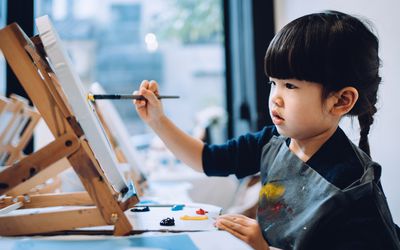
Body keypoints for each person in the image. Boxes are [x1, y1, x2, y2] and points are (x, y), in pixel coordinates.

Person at [133, 10, 399, 250]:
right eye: (274, 83)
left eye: (290, 86)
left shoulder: (351, 188)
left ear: (340, 101)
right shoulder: (273, 141)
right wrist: (157, 120)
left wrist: (263, 248)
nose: (275, 97)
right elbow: (206, 159)